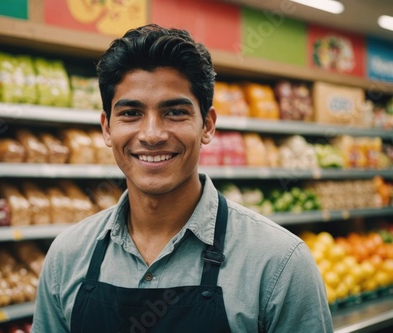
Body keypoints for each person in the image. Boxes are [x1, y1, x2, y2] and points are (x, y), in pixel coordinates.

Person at [32, 24, 333, 333]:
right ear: (107, 128)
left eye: (175, 112)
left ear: (207, 125)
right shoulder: (66, 257)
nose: (151, 135)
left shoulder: (279, 264)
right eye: (130, 113)